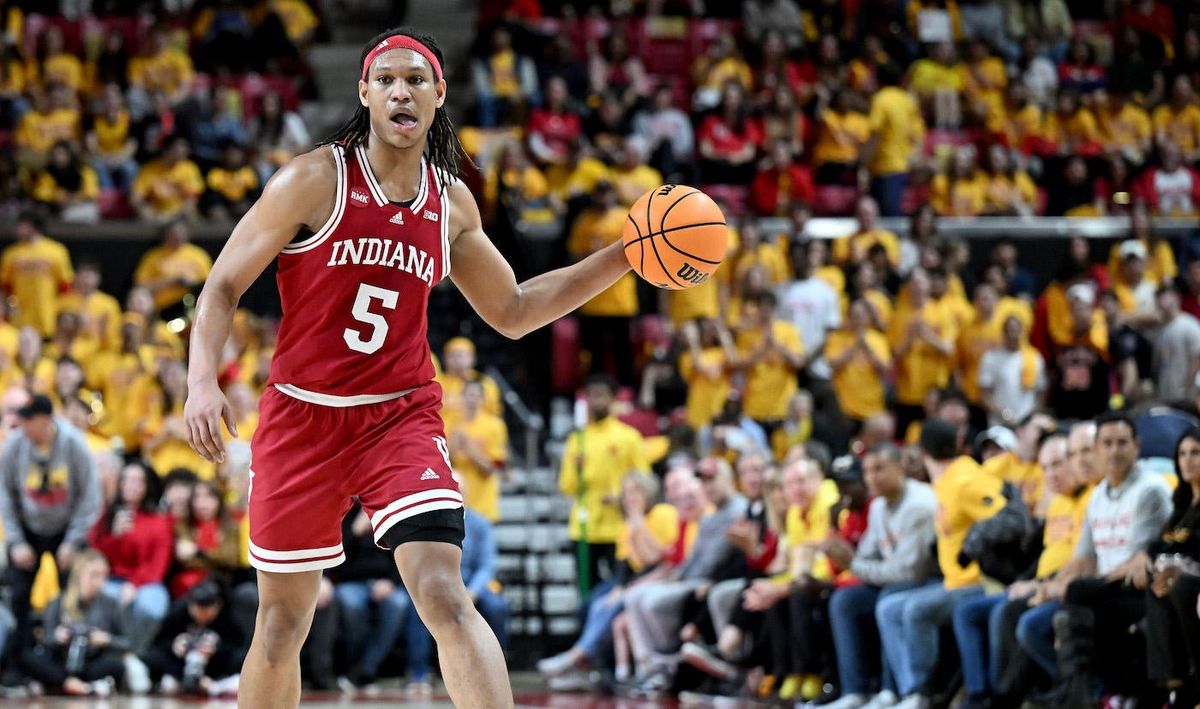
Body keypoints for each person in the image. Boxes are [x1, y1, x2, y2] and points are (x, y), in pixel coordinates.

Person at [183, 28, 634, 709]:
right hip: (302, 415)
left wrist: (625, 254)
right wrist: (201, 382)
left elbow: (514, 310)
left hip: (400, 416)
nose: (402, 91)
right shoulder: (314, 179)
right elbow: (220, 285)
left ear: (439, 95)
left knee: (445, 593)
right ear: (365, 93)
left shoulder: (450, 203)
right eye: (387, 80)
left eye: (416, 80)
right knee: (279, 626)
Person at [1023, 411, 1172, 705]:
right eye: (1107, 444)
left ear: (1137, 447)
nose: (1114, 451)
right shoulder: (1098, 496)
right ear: (1098, 449)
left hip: (1140, 588)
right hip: (1105, 589)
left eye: (1122, 443)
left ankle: (1084, 694)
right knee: (1031, 612)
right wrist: (1049, 585)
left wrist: (1073, 588)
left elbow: (1137, 561)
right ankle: (1087, 691)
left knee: (1078, 595)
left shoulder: (1150, 490)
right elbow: (1083, 557)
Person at [876, 419, 1003, 709]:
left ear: (923, 452)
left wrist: (975, 550)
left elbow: (1004, 518)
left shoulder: (966, 480)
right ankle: (908, 691)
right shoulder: (945, 481)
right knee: (889, 608)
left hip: (979, 581)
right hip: (953, 581)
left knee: (917, 609)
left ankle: (924, 693)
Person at [822, 443, 938, 709]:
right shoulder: (878, 507)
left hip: (930, 581)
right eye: (867, 471)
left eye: (879, 469)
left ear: (899, 467)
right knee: (845, 600)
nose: (871, 478)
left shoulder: (919, 504)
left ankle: (893, 690)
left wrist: (853, 563)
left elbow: (911, 571)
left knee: (889, 599)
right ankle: (855, 691)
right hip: (895, 580)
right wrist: (846, 555)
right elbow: (866, 556)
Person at [0, 395, 101, 650]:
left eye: (28, 421)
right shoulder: (15, 444)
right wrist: (17, 541)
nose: (23, 426)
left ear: (45, 420)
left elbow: (90, 497)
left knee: (72, 594)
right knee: (18, 594)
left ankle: (67, 654)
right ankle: (19, 657)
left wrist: (72, 541)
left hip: (66, 528)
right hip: (28, 528)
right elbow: (5, 494)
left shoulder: (74, 444)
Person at [405, 474, 509, 695]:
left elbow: (487, 565)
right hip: (442, 583)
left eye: (461, 491)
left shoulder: (480, 524)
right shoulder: (431, 522)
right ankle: (419, 673)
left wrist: (473, 591)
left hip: (473, 583)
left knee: (498, 607)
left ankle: (495, 671)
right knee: (419, 607)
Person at [560, 375, 650, 592]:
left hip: (618, 527)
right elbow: (567, 487)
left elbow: (644, 481)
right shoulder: (577, 439)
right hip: (584, 528)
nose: (596, 401)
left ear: (613, 399)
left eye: (602, 395)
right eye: (592, 396)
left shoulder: (629, 437)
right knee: (585, 589)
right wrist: (577, 468)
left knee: (620, 586)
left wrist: (622, 498)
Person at [87, 460, 173, 653]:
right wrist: (114, 537)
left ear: (147, 486)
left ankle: (135, 652)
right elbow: (94, 556)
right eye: (127, 480)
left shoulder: (159, 521)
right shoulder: (105, 515)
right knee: (102, 600)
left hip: (145, 582)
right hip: (109, 579)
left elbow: (158, 565)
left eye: (138, 481)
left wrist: (134, 584)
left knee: (151, 607)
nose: (132, 485)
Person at [19, 550, 131, 697]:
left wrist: (106, 639)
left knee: (116, 665)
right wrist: (57, 637)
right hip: (62, 662)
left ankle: (60, 686)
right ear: (79, 574)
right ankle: (76, 686)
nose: (99, 582)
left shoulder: (111, 604)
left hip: (91, 662)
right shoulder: (58, 601)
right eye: (94, 575)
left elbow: (127, 643)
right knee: (27, 657)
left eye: (104, 576)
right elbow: (45, 639)